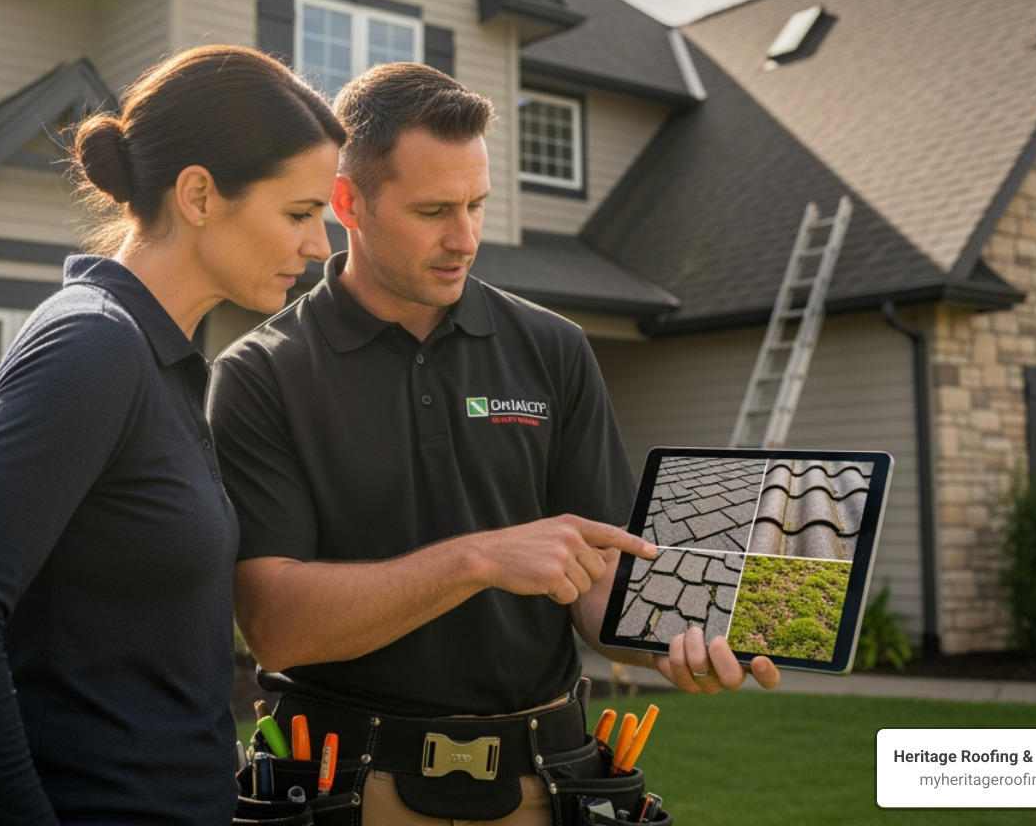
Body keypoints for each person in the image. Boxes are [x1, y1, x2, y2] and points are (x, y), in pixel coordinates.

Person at [208, 62, 778, 825]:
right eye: (434, 209)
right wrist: (477, 560)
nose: (465, 237)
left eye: (476, 204)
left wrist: (674, 640)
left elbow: (598, 576)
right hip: (351, 789)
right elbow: (277, 627)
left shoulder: (556, 349)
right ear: (350, 202)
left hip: (545, 785)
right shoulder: (261, 374)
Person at [0, 45, 345, 826]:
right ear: (198, 194)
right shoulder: (94, 346)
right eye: (299, 213)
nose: (320, 246)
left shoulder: (161, 358)